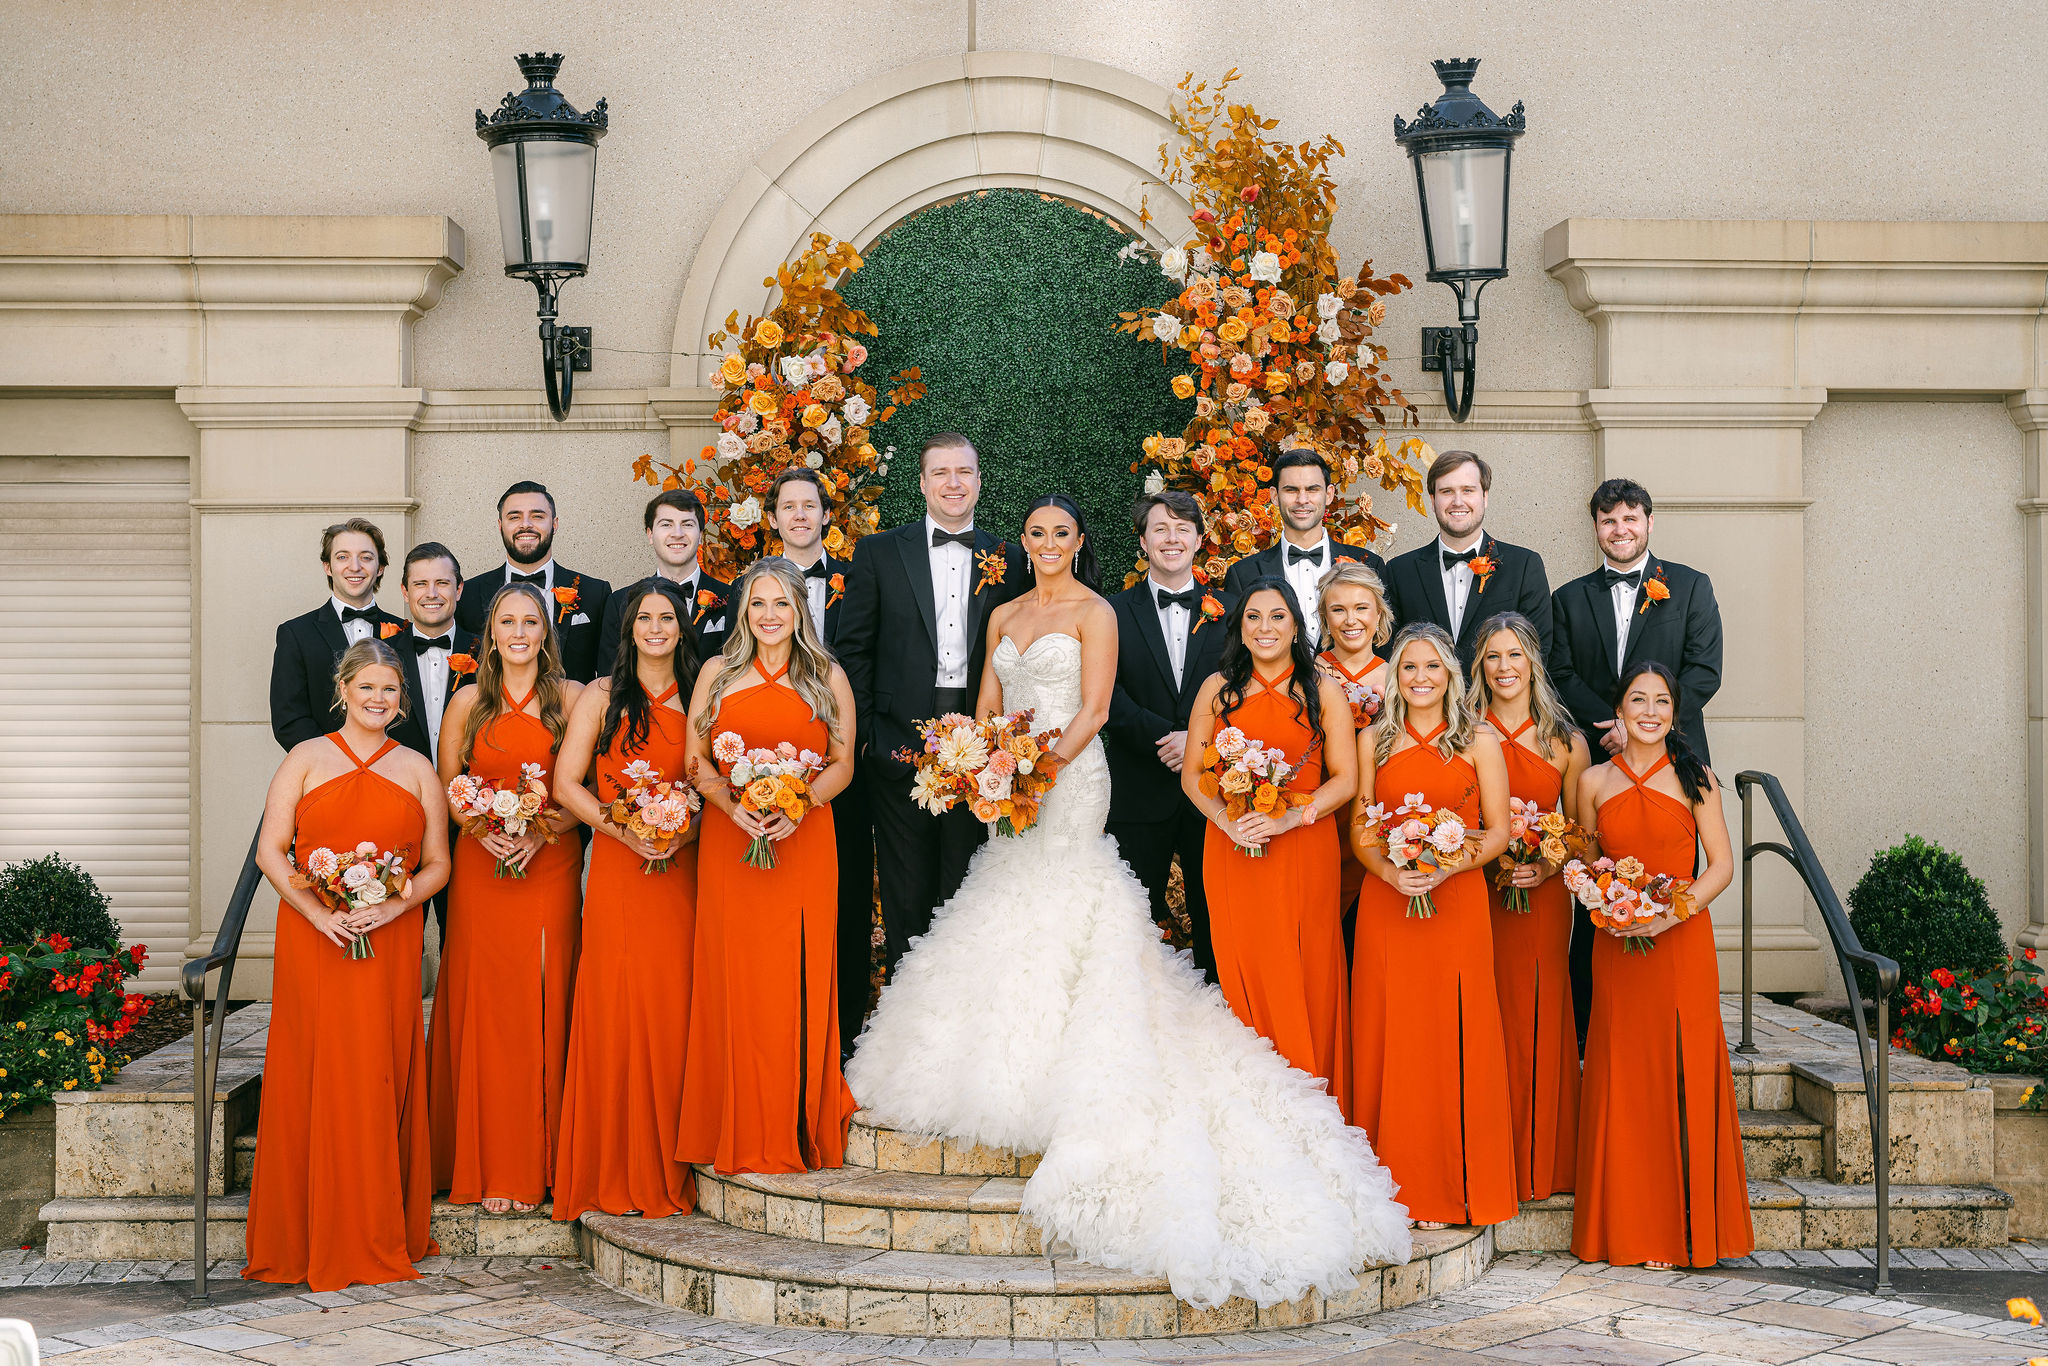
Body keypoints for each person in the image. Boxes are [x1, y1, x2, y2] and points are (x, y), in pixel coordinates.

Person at [849, 495, 1410, 1312]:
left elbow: (1098, 708)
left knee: (1076, 897)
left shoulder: (1096, 612)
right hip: (1010, 778)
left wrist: (1036, 770)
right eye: (1035, 532)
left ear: (1083, 541)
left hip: (1069, 778)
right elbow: (984, 703)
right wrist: (985, 762)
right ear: (1024, 544)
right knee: (1007, 901)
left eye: (1062, 532)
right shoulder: (1001, 610)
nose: (1047, 543)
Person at [244, 639, 449, 1289]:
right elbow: (272, 853)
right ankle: (304, 1232)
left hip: (387, 940)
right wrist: (318, 912)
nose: (378, 699)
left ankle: (372, 1224)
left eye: (390, 690)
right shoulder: (305, 759)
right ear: (343, 689)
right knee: (314, 1069)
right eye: (367, 687)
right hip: (315, 938)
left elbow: (439, 864)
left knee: (377, 1068)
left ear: (401, 700)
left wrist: (393, 909)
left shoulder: (418, 768)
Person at [678, 558, 859, 1173]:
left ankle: (793, 1120)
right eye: (758, 603)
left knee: (794, 977)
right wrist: (733, 806)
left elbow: (842, 764)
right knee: (738, 976)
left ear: (800, 610)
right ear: (742, 611)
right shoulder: (716, 673)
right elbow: (695, 761)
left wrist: (798, 802)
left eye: (781, 603)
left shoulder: (825, 675)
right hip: (733, 844)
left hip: (804, 842)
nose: (769, 615)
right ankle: (734, 1119)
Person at [1571, 661, 1748, 1269]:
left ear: (1675, 712)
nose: (1649, 711)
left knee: (1681, 1072)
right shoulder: (1592, 781)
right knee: (1624, 1075)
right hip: (1617, 945)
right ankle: (1626, 1225)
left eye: (1662, 701)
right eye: (1637, 700)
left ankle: (1682, 1230)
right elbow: (1587, 862)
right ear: (1618, 711)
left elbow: (1721, 866)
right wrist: (1605, 900)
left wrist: (1672, 914)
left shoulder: (1696, 776)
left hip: (1681, 943)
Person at [835, 434, 1026, 974]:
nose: (953, 483)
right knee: (905, 892)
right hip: (897, 743)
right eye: (940, 473)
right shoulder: (878, 551)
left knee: (968, 889)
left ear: (979, 480)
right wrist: (870, 734)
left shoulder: (1010, 559)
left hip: (982, 745)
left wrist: (1002, 743)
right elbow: (853, 650)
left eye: (963, 472)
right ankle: (904, 1027)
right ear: (922, 483)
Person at [1349, 623, 1518, 1231]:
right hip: (1388, 903)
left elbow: (1497, 831)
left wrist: (1445, 863)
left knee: (1452, 1035)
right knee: (1392, 1033)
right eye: (1408, 668)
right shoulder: (1374, 739)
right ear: (1395, 677)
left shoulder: (1480, 740)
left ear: (1450, 676)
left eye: (1432, 668)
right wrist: (1394, 875)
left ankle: (1448, 1189)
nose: (1420, 679)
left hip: (1458, 904)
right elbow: (1363, 831)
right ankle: (1388, 1184)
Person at [429, 581, 586, 1214]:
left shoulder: (571, 699)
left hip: (548, 864)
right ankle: (486, 1160)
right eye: (506, 622)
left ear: (546, 632)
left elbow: (588, 788)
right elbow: (447, 783)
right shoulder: (468, 701)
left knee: (544, 1001)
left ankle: (542, 1161)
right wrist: (478, 829)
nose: (518, 632)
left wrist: (544, 830)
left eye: (530, 621)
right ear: (490, 633)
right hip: (482, 865)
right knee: (487, 1005)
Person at [1549, 477, 1723, 1041]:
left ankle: (1672, 1018)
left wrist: (1651, 728)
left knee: (1676, 879)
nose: (1619, 529)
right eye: (1608, 521)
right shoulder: (1570, 598)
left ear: (1649, 522)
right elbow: (1562, 672)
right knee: (1596, 874)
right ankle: (1592, 1023)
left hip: (1673, 762)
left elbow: (1703, 669)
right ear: (1596, 528)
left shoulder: (1691, 588)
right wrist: (1617, 725)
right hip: (1602, 760)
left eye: (1629, 518)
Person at [552, 581, 701, 1222]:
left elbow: (707, 782)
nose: (657, 627)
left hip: (682, 871)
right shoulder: (601, 697)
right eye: (645, 618)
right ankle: (610, 1162)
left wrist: (679, 830)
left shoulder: (701, 696)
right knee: (615, 1001)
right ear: (628, 628)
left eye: (668, 617)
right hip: (616, 866)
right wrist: (623, 831)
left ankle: (670, 1160)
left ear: (683, 627)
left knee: (672, 1003)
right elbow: (566, 782)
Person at [1184, 578, 1357, 1096]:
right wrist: (1225, 819)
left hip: (1303, 845)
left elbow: (1345, 779)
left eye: (1278, 616)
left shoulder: (1322, 688)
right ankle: (1251, 1101)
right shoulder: (1217, 689)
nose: (1265, 627)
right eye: (1254, 617)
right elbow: (1193, 775)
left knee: (1305, 970)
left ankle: (1311, 1093)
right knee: (1245, 966)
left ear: (1297, 626)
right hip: (1233, 846)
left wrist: (1287, 819)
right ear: (1239, 626)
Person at [1470, 612, 1589, 1204]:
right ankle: (1488, 1155)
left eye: (1514, 655)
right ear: (1479, 667)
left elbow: (1580, 833)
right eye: (1493, 656)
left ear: (1534, 662)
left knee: (1540, 1014)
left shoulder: (1566, 741)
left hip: (1541, 902)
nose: (1504, 667)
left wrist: (1545, 864)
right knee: (1485, 1012)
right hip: (1476, 896)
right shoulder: (1463, 731)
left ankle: (1542, 1162)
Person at [1105, 489, 1234, 978]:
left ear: (1200, 540)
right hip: (1139, 787)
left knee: (1216, 919)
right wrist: (1168, 738)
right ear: (1143, 541)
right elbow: (1106, 694)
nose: (1172, 538)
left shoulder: (1234, 610)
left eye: (1183, 528)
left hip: (1215, 792)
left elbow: (1244, 689)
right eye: (1160, 528)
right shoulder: (1111, 612)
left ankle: (1221, 1022)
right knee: (1133, 919)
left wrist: (1197, 743)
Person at [1381, 450, 1552, 670]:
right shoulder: (1400, 571)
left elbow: (1539, 651)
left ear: (1485, 496)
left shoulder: (1524, 566)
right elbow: (1390, 652)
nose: (1458, 501)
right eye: (1447, 491)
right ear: (1433, 500)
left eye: (1468, 490)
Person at [386, 542, 476, 950]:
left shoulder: (492, 652)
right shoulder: (380, 657)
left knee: (468, 936)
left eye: (443, 582)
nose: (432, 592)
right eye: (420, 583)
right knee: (396, 933)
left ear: (459, 589)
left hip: (475, 818)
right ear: (404, 592)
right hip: (398, 816)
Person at [1221, 449, 1384, 648]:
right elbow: (1235, 648)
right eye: (1291, 490)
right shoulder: (1242, 574)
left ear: (1329, 494)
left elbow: (1383, 640)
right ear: (1274, 496)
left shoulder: (1369, 564)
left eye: (1312, 489)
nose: (1302, 500)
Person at [457, 481, 612, 684]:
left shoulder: (595, 593)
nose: (526, 525)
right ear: (500, 525)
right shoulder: (467, 595)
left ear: (554, 524)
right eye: (515, 517)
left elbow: (607, 678)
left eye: (537, 516)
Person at [269, 519, 404, 750]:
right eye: (343, 557)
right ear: (328, 567)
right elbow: (289, 720)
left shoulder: (404, 631)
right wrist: (336, 762)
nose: (354, 567)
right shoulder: (296, 634)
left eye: (366, 557)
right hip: (327, 775)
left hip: (396, 771)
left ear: (380, 567)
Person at [1315, 560, 1394, 941]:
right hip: (1321, 812)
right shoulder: (1308, 674)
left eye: (1361, 608)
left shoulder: (1401, 677)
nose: (1351, 620)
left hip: (1379, 816)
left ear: (1378, 613)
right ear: (1324, 618)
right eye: (1338, 609)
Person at [598, 488, 732, 669]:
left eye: (687, 524)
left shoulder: (731, 598)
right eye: (666, 524)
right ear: (650, 534)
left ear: (700, 535)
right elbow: (612, 676)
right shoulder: (620, 602)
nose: (677, 533)